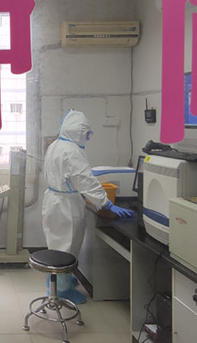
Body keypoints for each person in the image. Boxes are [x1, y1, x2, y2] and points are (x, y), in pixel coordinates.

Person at [42, 109, 135, 304]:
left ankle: (58, 278)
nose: (87, 138)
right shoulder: (72, 151)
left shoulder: (56, 145)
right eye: (86, 133)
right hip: (66, 205)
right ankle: (63, 289)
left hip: (53, 200)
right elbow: (86, 180)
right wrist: (106, 203)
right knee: (67, 245)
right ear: (78, 131)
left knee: (56, 243)